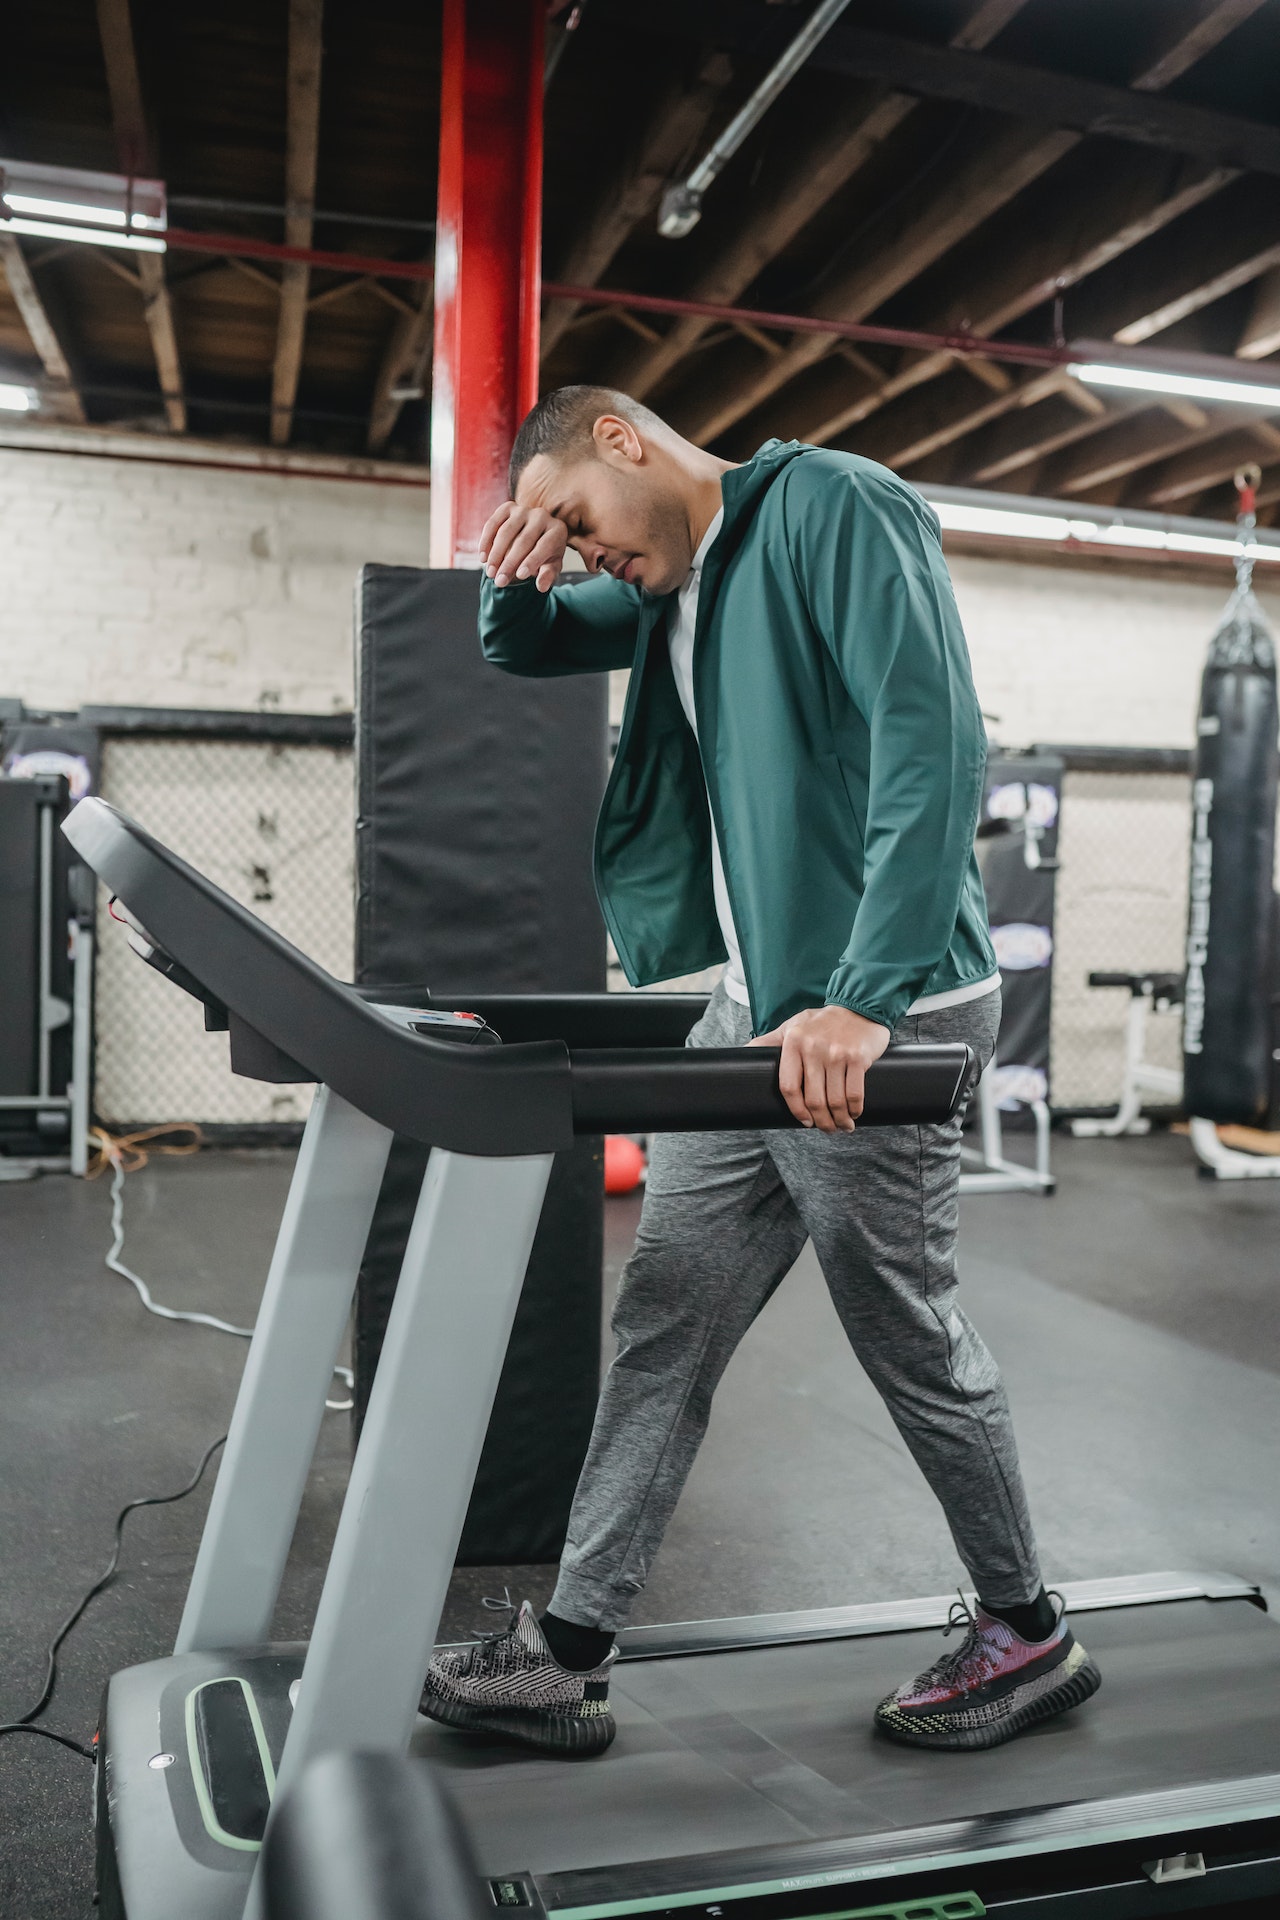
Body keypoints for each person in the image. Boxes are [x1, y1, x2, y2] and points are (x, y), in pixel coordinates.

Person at [421, 388, 1101, 1758]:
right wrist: (514, 576)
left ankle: (1029, 1634)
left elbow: (933, 736)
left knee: (902, 1326)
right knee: (666, 1313)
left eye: (577, 519)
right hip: (755, 1010)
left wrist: (866, 996)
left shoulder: (831, 506)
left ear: (625, 440)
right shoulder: (674, 578)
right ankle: (566, 1651)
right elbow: (537, 651)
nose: (588, 551)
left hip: (873, 1011)